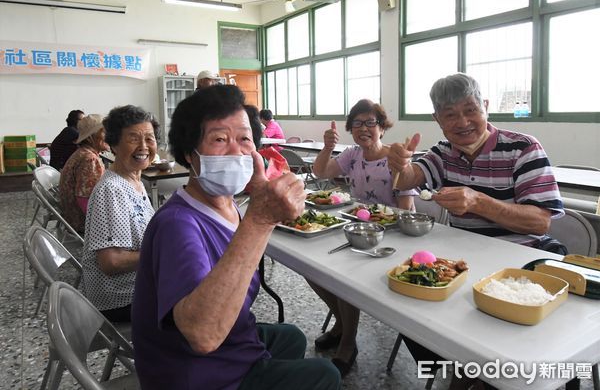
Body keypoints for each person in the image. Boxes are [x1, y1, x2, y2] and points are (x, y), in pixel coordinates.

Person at [131, 85, 341, 390]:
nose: (236, 150)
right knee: (326, 375)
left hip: (224, 346)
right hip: (193, 373)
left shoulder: (228, 205)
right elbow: (202, 335)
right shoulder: (177, 224)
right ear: (191, 155)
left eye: (244, 139)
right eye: (219, 139)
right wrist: (260, 218)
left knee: (291, 337)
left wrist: (257, 205)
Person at [387, 73, 565, 388]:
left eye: (470, 110)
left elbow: (540, 221)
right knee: (406, 313)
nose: (463, 121)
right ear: (437, 119)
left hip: (522, 262)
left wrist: (479, 202)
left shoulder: (523, 149)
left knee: (496, 334)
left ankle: (481, 374)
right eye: (450, 114)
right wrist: (399, 166)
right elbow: (410, 179)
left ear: (485, 106)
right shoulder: (443, 152)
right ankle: (467, 368)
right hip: (467, 259)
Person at [309, 99, 416, 377]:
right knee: (310, 268)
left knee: (345, 275)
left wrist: (395, 231)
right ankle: (343, 324)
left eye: (371, 122)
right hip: (356, 229)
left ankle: (347, 342)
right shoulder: (353, 155)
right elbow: (320, 172)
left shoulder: (395, 155)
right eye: (357, 123)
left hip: (390, 238)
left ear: (382, 127)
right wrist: (328, 147)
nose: (364, 128)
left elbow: (407, 208)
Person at [82, 105, 159, 323]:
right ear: (113, 144)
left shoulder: (133, 180)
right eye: (133, 138)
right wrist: (164, 253)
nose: (144, 147)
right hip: (120, 299)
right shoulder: (112, 189)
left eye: (150, 139)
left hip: (139, 285)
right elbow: (111, 262)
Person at [58, 114, 109, 234]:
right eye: (104, 132)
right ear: (91, 137)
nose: (109, 136)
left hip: (73, 218)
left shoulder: (83, 153)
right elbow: (84, 200)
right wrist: (104, 224)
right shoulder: (89, 159)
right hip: (82, 222)